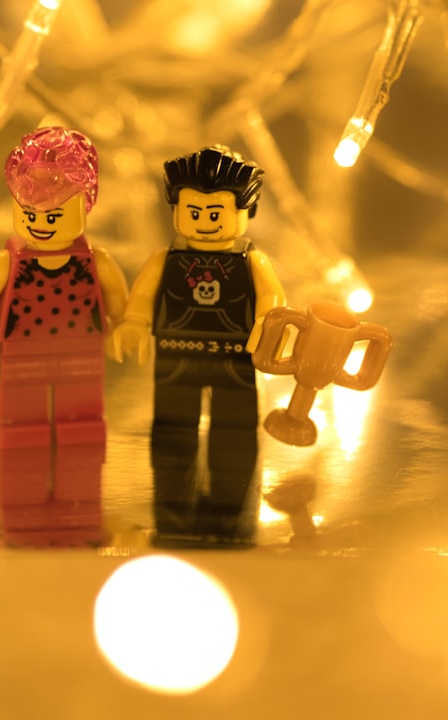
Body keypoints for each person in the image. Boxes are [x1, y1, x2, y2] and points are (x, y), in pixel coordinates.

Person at [0, 127, 128, 544]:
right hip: (23, 350)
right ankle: (23, 469)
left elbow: (115, 295)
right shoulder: (7, 261)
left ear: (85, 205)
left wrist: (123, 326)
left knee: (81, 423)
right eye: (29, 214)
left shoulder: (96, 260)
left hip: (81, 351)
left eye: (53, 216)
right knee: (22, 423)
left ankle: (79, 468)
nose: (40, 225)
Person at [114, 145, 285, 545]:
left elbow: (271, 296)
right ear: (176, 210)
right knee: (172, 433)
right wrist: (135, 323)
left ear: (245, 211)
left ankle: (231, 510)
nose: (204, 222)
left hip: (235, 358)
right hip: (177, 355)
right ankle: (173, 508)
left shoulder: (253, 261)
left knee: (235, 435)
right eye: (194, 213)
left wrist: (266, 324)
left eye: (215, 213)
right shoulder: (165, 258)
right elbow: (143, 295)